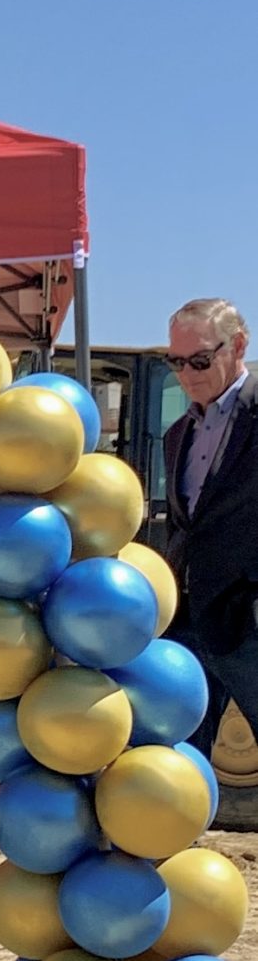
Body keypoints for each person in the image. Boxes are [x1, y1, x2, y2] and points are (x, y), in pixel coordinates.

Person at [162, 298, 258, 760]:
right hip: (190, 623)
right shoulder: (177, 435)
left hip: (251, 623)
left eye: (199, 360)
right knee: (178, 757)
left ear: (238, 345)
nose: (187, 374)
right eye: (175, 362)